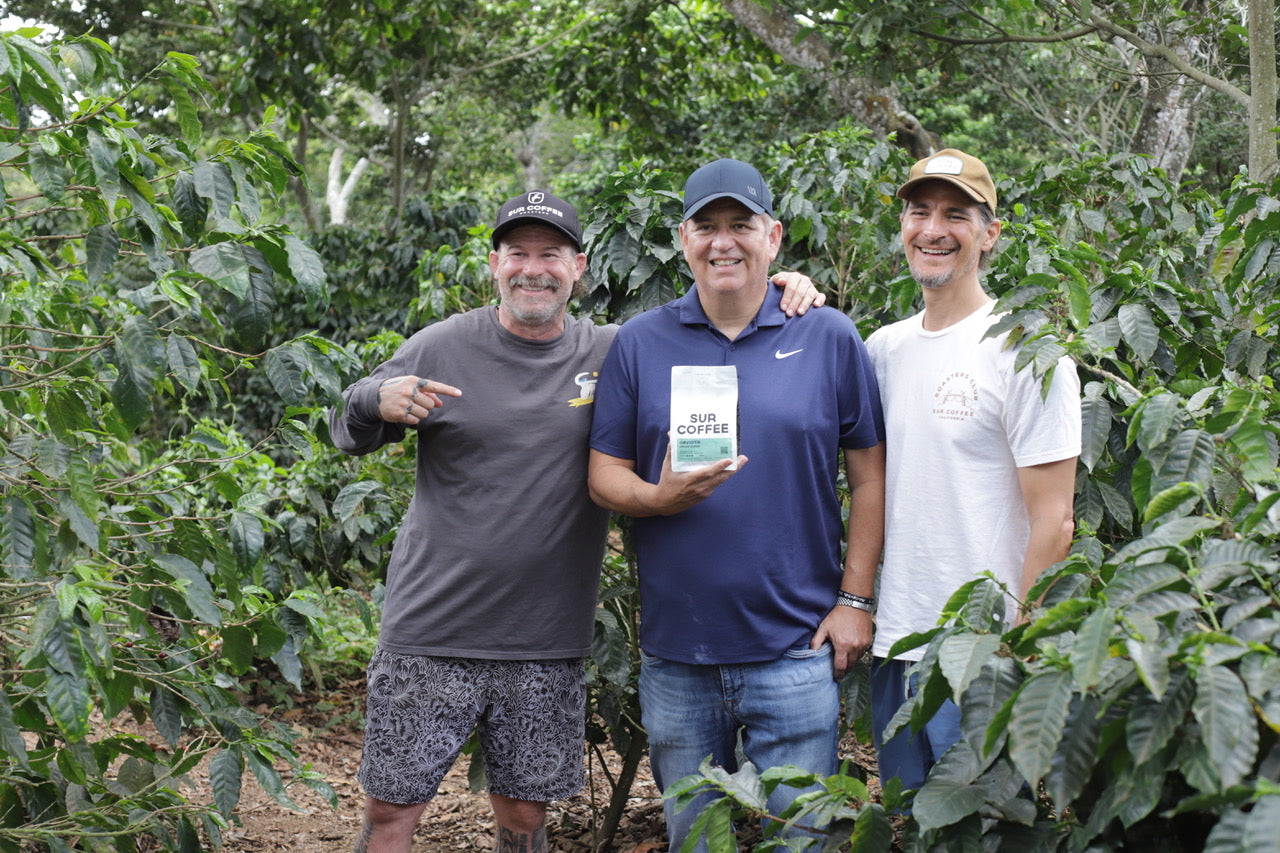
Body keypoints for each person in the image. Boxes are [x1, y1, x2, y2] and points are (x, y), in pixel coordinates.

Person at [328, 189, 825, 853]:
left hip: (545, 639)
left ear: (580, 266)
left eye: (551, 254)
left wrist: (784, 284)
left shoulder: (616, 351)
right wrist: (373, 397)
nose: (534, 268)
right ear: (494, 264)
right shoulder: (442, 345)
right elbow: (348, 429)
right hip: (432, 629)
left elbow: (716, 324)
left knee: (525, 818)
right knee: (392, 811)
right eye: (518, 253)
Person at [587, 159, 886, 852]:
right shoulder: (640, 342)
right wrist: (657, 497)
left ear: (773, 236)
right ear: (683, 239)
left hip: (795, 651)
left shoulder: (827, 335)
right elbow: (604, 474)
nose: (724, 242)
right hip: (677, 657)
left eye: (741, 225)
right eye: (706, 227)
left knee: (804, 840)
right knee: (696, 840)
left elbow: (870, 479)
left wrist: (856, 600)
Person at [864, 149, 1081, 794]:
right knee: (912, 820)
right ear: (902, 225)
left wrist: (1018, 645)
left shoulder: (1025, 353)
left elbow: (1056, 520)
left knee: (982, 828)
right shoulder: (884, 350)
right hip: (895, 643)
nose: (933, 229)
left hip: (983, 654)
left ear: (989, 235)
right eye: (919, 212)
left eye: (956, 215)